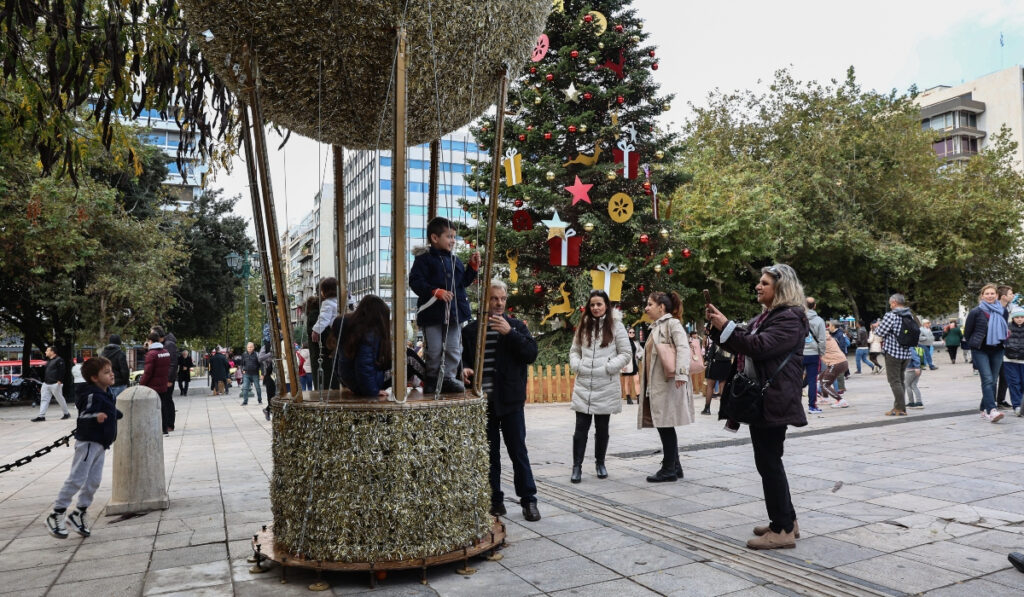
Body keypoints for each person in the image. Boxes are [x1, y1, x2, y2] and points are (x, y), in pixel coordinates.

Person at [706, 263, 808, 550]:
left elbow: (759, 346)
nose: (758, 286)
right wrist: (718, 326)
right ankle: (787, 520)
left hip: (774, 398)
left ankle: (783, 529)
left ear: (781, 288)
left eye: (765, 283)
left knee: (769, 462)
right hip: (767, 398)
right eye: (759, 282)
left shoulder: (789, 318)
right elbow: (743, 340)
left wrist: (726, 327)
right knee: (769, 461)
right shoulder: (770, 316)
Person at [461, 280, 541, 522]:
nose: (498, 303)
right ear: (484, 301)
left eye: (502, 299)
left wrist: (510, 333)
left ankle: (529, 500)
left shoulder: (516, 326)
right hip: (483, 402)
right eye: (494, 298)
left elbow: (531, 354)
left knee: (518, 451)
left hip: (511, 400)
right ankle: (495, 500)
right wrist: (463, 369)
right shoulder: (470, 331)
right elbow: (462, 359)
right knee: (489, 454)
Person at [44, 356, 122, 539]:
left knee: (94, 481)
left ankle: (79, 512)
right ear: (94, 378)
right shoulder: (92, 394)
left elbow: (108, 409)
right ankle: (57, 513)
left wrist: (114, 413)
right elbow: (84, 416)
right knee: (77, 479)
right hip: (88, 442)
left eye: (111, 371)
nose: (111, 374)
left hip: (101, 444)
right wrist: (97, 417)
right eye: (106, 372)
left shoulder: (107, 392)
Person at [410, 217, 480, 394]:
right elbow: (416, 281)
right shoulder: (424, 259)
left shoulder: (455, 261)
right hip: (433, 312)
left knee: (453, 348)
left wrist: (472, 268)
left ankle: (448, 377)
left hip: (454, 313)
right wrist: (434, 291)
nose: (453, 241)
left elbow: (461, 283)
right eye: (449, 236)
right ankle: (432, 378)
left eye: (454, 237)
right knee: (434, 349)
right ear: (435, 238)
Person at [568, 290, 631, 483]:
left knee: (602, 429)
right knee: (580, 429)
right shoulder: (583, 326)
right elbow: (574, 351)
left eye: (599, 304)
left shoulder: (616, 326)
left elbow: (626, 353)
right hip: (584, 385)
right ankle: (576, 466)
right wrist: (577, 364)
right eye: (592, 305)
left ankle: (600, 463)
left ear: (606, 305)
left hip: (606, 384)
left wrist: (609, 367)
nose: (595, 308)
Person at [637, 291, 694, 483]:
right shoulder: (657, 327)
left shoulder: (672, 324)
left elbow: (683, 347)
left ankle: (669, 468)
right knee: (665, 424)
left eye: (650, 304)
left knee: (665, 425)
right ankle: (675, 467)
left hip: (669, 384)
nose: (646, 308)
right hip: (660, 384)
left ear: (661, 307)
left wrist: (681, 373)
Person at [964, 284, 1007, 423]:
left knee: (993, 380)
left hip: (998, 349)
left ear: (997, 295)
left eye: (992, 293)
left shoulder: (1002, 311)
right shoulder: (976, 312)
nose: (990, 296)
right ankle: (991, 410)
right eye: (987, 293)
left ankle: (983, 408)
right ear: (982, 296)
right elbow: (967, 333)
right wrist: (974, 345)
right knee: (988, 379)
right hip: (980, 350)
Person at [336, 295, 394, 396]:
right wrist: (373, 391)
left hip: (354, 382)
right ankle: (430, 382)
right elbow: (364, 365)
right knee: (409, 358)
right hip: (367, 384)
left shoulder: (354, 328)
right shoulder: (369, 334)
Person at [876, 294, 917, 417]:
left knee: (894, 381)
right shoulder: (909, 315)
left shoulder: (891, 315)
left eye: (890, 303)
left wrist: (878, 326)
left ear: (894, 303)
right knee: (900, 380)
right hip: (906, 353)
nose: (890, 305)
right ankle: (899, 407)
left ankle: (900, 408)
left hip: (893, 353)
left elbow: (880, 332)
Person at [140, 332, 172, 433]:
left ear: (150, 341)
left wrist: (141, 384)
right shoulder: (165, 352)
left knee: (153, 408)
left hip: (153, 385)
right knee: (163, 406)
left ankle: (155, 429)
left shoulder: (151, 354)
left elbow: (148, 372)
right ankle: (164, 429)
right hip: (163, 383)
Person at [31, 346, 70, 422]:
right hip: (46, 383)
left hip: (55, 383)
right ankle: (41, 416)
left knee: (60, 399)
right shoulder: (49, 360)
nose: (45, 352)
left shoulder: (59, 360)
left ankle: (66, 413)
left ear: (52, 352)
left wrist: (60, 381)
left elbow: (62, 371)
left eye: (47, 351)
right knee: (44, 399)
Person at [802, 297, 827, 413]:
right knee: (812, 380)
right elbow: (822, 340)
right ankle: (812, 406)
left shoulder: (798, 319)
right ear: (815, 306)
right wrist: (821, 353)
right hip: (813, 354)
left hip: (799, 354)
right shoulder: (819, 321)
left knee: (795, 380)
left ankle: (794, 406)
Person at [701, 330, 733, 415]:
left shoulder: (716, 342)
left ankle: (707, 409)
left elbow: (710, 355)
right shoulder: (731, 342)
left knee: (710, 386)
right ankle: (723, 410)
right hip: (727, 365)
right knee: (723, 387)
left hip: (715, 364)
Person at [152, 326, 177, 433]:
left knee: (167, 401)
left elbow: (172, 363)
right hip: (163, 377)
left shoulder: (169, 345)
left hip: (167, 378)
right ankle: (166, 423)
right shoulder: (164, 344)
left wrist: (170, 379)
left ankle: (169, 424)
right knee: (165, 400)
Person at [996, 285, 1015, 409]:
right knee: (993, 376)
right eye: (1010, 293)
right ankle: (991, 401)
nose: (1013, 295)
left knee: (1004, 375)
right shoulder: (997, 309)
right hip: (995, 346)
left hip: (1005, 346)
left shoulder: (1008, 309)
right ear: (1003, 297)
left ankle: (1000, 399)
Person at [1003, 306, 1024, 416]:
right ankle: (1017, 406)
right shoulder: (1007, 327)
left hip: (1023, 360)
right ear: (1013, 318)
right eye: (1017, 317)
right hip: (1010, 360)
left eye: (1022, 317)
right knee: (1014, 383)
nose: (1019, 319)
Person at [820, 331, 850, 408]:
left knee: (825, 384)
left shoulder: (820, 339)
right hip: (842, 361)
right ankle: (826, 398)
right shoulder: (829, 337)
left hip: (836, 363)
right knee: (821, 378)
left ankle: (841, 401)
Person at [100, 334, 130, 399]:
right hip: (119, 384)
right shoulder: (120, 353)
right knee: (120, 406)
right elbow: (124, 370)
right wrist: (126, 382)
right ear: (119, 342)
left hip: (106, 384)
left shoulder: (102, 354)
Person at [620, 327, 641, 405]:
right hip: (626, 364)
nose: (632, 334)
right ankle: (628, 398)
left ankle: (639, 397)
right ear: (627, 333)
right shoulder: (624, 343)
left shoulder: (636, 342)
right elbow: (621, 354)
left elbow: (641, 351)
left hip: (634, 363)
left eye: (633, 332)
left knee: (637, 380)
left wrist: (637, 356)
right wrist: (622, 365)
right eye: (630, 332)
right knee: (627, 382)